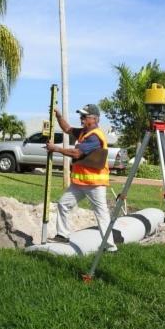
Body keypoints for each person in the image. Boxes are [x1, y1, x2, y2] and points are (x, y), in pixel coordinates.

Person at [44, 104, 117, 252]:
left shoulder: (95, 136)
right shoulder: (84, 132)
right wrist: (58, 115)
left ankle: (110, 247)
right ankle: (63, 235)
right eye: (81, 116)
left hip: (95, 184)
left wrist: (55, 148)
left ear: (95, 119)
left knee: (101, 213)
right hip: (79, 183)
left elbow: (77, 154)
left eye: (85, 116)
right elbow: (67, 129)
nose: (81, 118)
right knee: (63, 204)